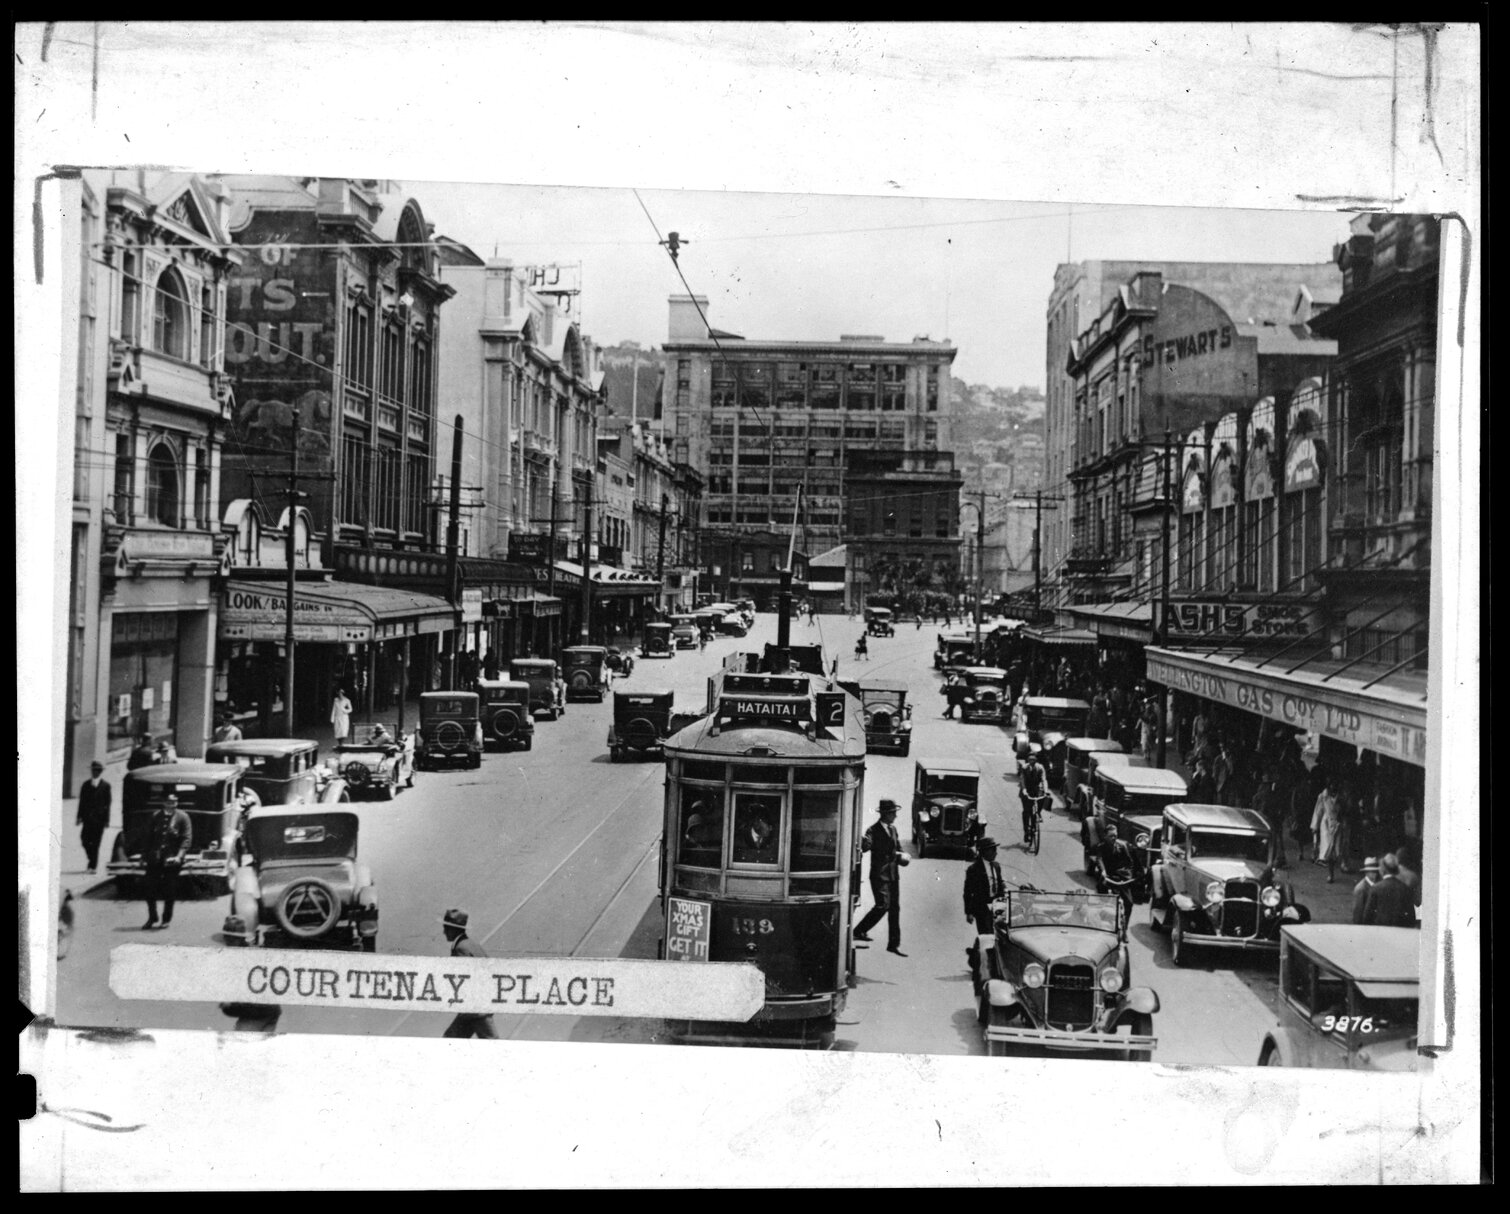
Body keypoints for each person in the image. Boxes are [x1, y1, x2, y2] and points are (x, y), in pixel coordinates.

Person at [854, 800, 909, 955]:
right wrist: (862, 840)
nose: (896, 816)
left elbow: (898, 847)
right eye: (893, 813)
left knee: (894, 909)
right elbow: (866, 847)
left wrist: (903, 855)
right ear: (885, 814)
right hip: (879, 876)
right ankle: (859, 930)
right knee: (882, 905)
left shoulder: (893, 829)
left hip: (893, 875)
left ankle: (893, 944)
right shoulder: (873, 830)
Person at [440, 909, 499, 1038]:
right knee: (450, 1040)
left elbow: (463, 978)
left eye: (446, 928)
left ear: (454, 929)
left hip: (476, 1009)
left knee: (493, 1045)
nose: (444, 932)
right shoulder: (472, 944)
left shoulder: (461, 948)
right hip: (477, 1007)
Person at [142, 793, 192, 930]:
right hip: (155, 858)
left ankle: (166, 919)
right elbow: (148, 837)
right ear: (164, 803)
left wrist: (179, 856)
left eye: (174, 802)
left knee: (169, 890)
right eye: (169, 802)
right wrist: (144, 856)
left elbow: (186, 838)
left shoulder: (183, 817)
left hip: (172, 859)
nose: (172, 805)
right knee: (149, 889)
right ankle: (152, 917)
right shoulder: (155, 816)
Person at [962, 837, 1006, 935]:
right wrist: (969, 912)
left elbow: (999, 883)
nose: (996, 853)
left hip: (996, 907)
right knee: (986, 935)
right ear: (985, 852)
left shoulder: (996, 866)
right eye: (993, 850)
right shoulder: (974, 869)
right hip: (982, 908)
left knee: (1000, 934)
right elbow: (967, 892)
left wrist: (1004, 891)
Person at [1362, 854, 1417, 927]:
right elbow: (1411, 918)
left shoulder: (1375, 888)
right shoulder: (1405, 889)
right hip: (1399, 933)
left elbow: (1367, 917)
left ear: (1383, 869)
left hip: (1380, 933)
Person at [76, 761, 111, 873]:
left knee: (95, 843)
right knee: (84, 839)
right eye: (93, 770)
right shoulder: (86, 785)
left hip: (99, 820)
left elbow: (107, 805)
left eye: (97, 770)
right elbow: (81, 802)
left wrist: (106, 820)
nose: (94, 772)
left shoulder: (106, 786)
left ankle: (92, 866)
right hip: (87, 818)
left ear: (100, 772)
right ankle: (91, 860)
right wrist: (79, 817)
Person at [1311, 778, 1343, 883]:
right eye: (1331, 786)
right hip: (1326, 824)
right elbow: (1318, 811)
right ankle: (1331, 874)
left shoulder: (1341, 797)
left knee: (1335, 850)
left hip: (1337, 825)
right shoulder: (1323, 796)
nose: (1333, 788)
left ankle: (1332, 872)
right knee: (1329, 849)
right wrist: (1315, 825)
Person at [1018, 752, 1047, 843]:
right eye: (1030, 760)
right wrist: (1024, 789)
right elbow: (1022, 779)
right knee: (1026, 812)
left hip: (1036, 791)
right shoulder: (1024, 768)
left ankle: (1038, 813)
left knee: (1042, 799)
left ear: (1036, 760)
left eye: (1033, 760)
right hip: (1026, 791)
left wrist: (1045, 790)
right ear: (1028, 760)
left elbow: (1043, 779)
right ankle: (1026, 832)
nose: (1031, 761)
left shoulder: (1040, 768)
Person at [1351, 856, 1381, 925]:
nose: (1375, 874)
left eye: (1376, 871)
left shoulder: (1378, 884)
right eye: (1372, 871)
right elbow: (1358, 913)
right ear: (1366, 872)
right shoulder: (1361, 889)